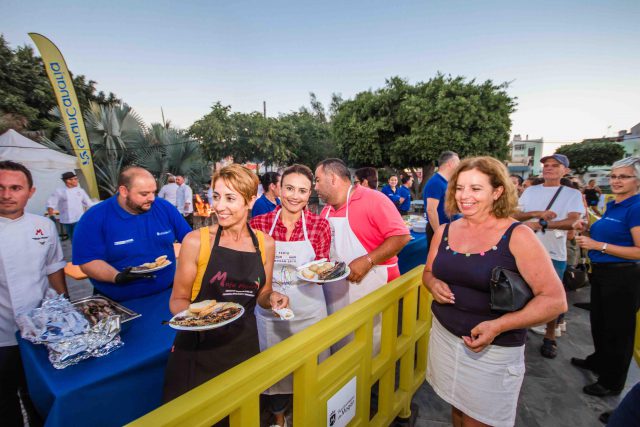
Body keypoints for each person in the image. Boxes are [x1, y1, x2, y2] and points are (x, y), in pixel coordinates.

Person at [422, 156, 567, 427]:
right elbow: (428, 272)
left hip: (492, 351)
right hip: (444, 337)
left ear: (497, 191)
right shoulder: (444, 231)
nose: (464, 196)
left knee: (480, 420)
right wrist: (432, 283)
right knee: (457, 410)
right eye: (459, 187)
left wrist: (499, 325)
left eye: (476, 189)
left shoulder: (517, 235)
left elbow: (555, 301)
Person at [163, 164, 289, 416]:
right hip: (199, 349)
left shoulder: (266, 244)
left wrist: (273, 297)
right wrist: (199, 321)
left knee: (243, 416)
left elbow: (262, 293)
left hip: (243, 347)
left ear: (251, 200)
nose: (219, 206)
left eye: (230, 198)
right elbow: (178, 299)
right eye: (216, 196)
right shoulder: (196, 241)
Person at [250, 164, 331, 427]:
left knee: (312, 369)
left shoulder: (319, 226)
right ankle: (279, 419)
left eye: (302, 190)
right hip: (269, 312)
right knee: (276, 373)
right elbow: (253, 269)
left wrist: (320, 275)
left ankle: (308, 416)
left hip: (309, 311)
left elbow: (322, 270)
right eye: (289, 188)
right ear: (278, 189)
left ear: (310, 195)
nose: (295, 196)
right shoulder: (259, 223)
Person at [314, 159, 411, 353]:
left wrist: (368, 260)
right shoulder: (325, 210)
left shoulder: (374, 199)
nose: (314, 187)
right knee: (343, 344)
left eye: (317, 180)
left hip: (374, 284)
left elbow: (401, 236)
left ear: (333, 179)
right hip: (337, 290)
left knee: (373, 346)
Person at [0, 161, 68, 427]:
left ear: (30, 191)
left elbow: (53, 268)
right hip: (2, 334)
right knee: (4, 400)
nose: (7, 194)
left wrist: (66, 306)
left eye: (15, 188)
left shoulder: (44, 226)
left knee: (38, 395)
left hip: (40, 330)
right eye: (1, 187)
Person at [572, 156, 640, 397]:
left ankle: (612, 382)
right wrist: (587, 230)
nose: (616, 181)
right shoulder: (614, 204)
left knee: (618, 329)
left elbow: (638, 251)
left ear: (637, 180)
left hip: (623, 276)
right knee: (600, 322)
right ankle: (599, 361)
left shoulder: (636, 207)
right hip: (602, 273)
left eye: (624, 176)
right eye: (613, 176)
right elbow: (610, 237)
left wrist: (597, 245)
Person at [73, 166, 191, 301]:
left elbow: (189, 238)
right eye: (144, 194)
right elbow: (87, 261)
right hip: (118, 300)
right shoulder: (94, 218)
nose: (152, 198)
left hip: (167, 292)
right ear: (123, 191)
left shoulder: (164, 207)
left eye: (154, 192)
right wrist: (116, 276)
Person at [513, 154, 583, 358]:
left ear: (565, 171)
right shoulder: (530, 191)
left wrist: (541, 224)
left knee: (552, 296)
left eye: (555, 166)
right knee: (521, 291)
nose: (549, 169)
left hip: (554, 251)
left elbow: (571, 222)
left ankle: (550, 336)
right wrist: (537, 213)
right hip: (525, 249)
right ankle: (520, 328)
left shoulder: (572, 194)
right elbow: (515, 215)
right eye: (546, 165)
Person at [423, 151, 460, 243]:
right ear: (450, 164)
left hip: (448, 226)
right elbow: (431, 210)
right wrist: (438, 233)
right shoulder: (436, 182)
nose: (460, 165)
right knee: (436, 257)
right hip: (438, 228)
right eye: (458, 163)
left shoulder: (445, 182)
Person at [46, 171, 93, 241]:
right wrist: (51, 216)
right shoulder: (59, 191)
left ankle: (81, 250)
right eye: (75, 179)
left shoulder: (80, 191)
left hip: (78, 218)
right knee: (72, 238)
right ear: (68, 181)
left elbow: (89, 203)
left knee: (78, 238)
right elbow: (51, 203)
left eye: (76, 178)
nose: (77, 180)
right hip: (66, 220)